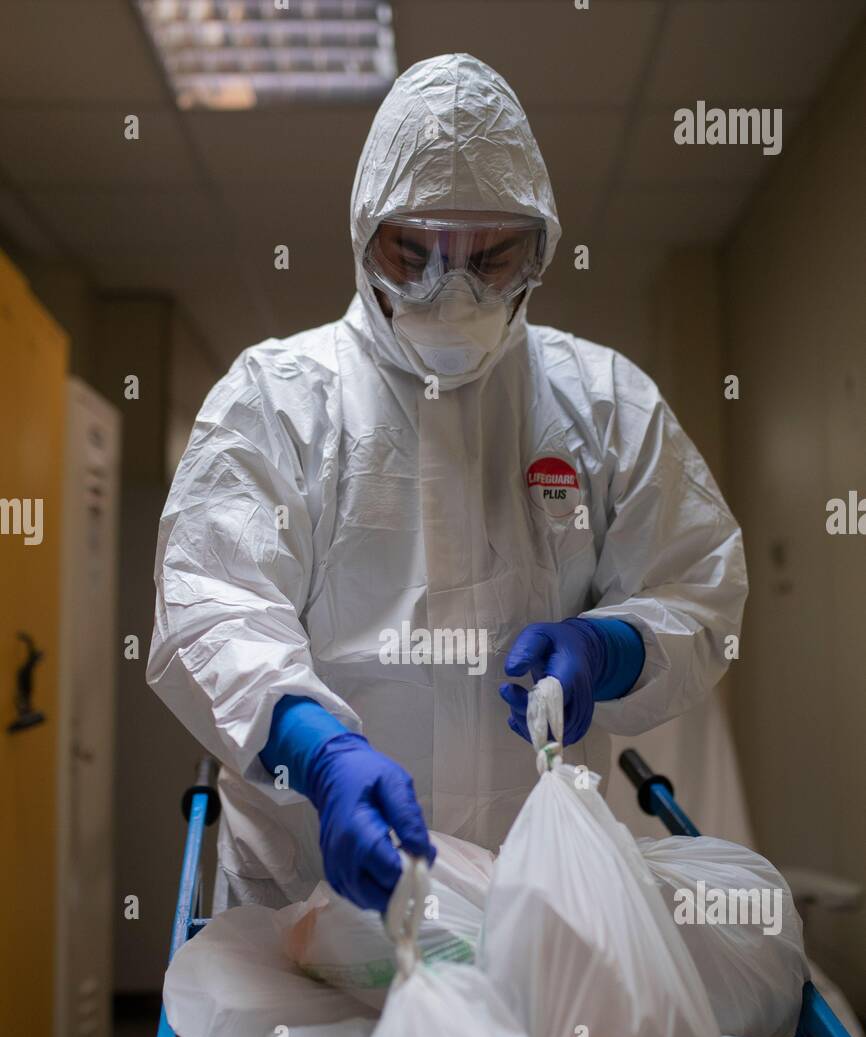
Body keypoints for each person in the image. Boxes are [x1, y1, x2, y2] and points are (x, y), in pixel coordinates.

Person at [147, 54, 747, 915]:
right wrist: (316, 755)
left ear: (538, 247)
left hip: (532, 911)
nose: (451, 289)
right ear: (365, 237)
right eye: (415, 250)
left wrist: (611, 647)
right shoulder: (275, 399)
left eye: (491, 256)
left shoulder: (606, 403)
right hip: (309, 904)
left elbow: (698, 585)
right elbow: (211, 605)